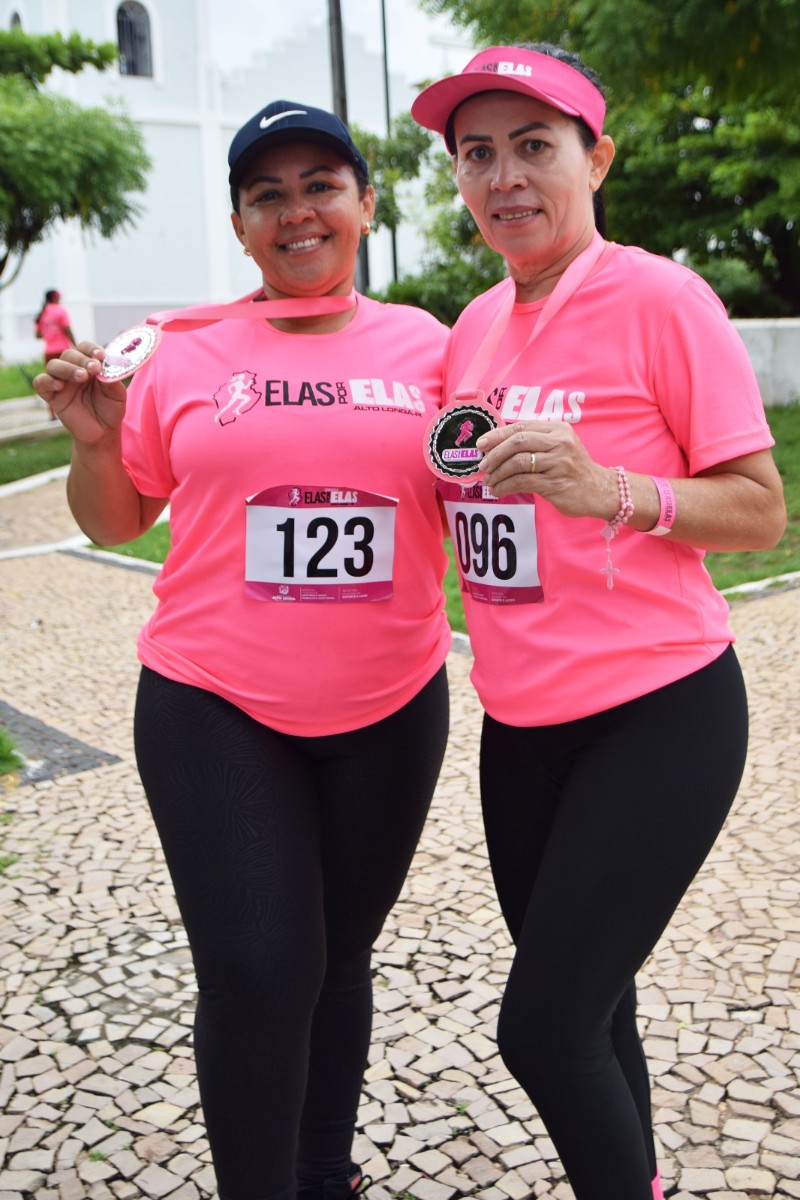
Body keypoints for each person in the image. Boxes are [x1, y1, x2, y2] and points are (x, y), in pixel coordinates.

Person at [34, 100, 452, 1200]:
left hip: (392, 703)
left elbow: (492, 502)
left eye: (320, 183)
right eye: (266, 193)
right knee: (261, 970)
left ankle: (322, 1176)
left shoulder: (436, 347)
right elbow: (117, 522)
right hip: (214, 701)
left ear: (366, 203)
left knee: (337, 960)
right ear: (239, 224)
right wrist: (90, 440)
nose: (295, 210)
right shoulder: (177, 349)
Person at [411, 44, 786, 1200]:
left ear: (595, 157)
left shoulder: (659, 298)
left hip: (655, 712)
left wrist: (612, 490)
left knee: (541, 1029)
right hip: (519, 725)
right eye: (477, 154)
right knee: (594, 1003)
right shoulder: (469, 327)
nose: (503, 177)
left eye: (534, 146)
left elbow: (761, 511)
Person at [34, 289, 76, 418]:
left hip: (48, 352)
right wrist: (75, 345)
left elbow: (38, 335)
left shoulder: (42, 314)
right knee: (70, 381)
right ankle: (71, 411)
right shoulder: (60, 310)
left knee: (52, 383)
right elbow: (67, 329)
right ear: (55, 298)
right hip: (63, 350)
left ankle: (52, 413)